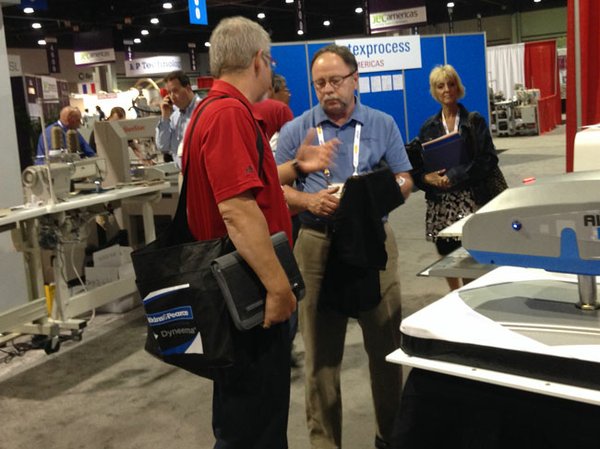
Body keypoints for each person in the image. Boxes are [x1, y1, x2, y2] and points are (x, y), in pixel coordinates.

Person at [182, 16, 334, 448]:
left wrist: (297, 167)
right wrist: (279, 287)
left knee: (241, 418)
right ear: (258, 61)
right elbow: (237, 210)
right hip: (247, 293)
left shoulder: (211, 110)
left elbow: (246, 188)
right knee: (256, 426)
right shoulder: (230, 113)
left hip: (232, 288)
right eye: (270, 61)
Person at [275, 44, 413, 449]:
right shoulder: (297, 129)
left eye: (336, 81)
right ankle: (324, 443)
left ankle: (391, 438)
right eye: (320, 83)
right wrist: (308, 201)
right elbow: (277, 186)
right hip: (317, 244)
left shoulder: (381, 123)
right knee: (320, 356)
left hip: (372, 243)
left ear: (355, 80)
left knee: (386, 349)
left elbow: (405, 179)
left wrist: (372, 197)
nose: (328, 90)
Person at [413, 64, 499, 291]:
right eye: (440, 86)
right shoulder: (428, 128)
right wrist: (428, 179)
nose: (447, 90)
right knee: (447, 255)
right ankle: (454, 294)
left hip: (471, 198)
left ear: (458, 87)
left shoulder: (474, 121)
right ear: (434, 90)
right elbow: (418, 170)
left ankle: (472, 295)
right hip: (441, 202)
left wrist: (455, 175)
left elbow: (488, 160)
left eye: (451, 84)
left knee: (471, 256)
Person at [155, 70, 202, 168]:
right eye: (169, 92)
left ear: (188, 88)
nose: (172, 97)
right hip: (183, 173)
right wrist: (165, 117)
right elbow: (163, 146)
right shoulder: (174, 117)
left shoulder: (202, 111)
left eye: (175, 91)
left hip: (200, 173)